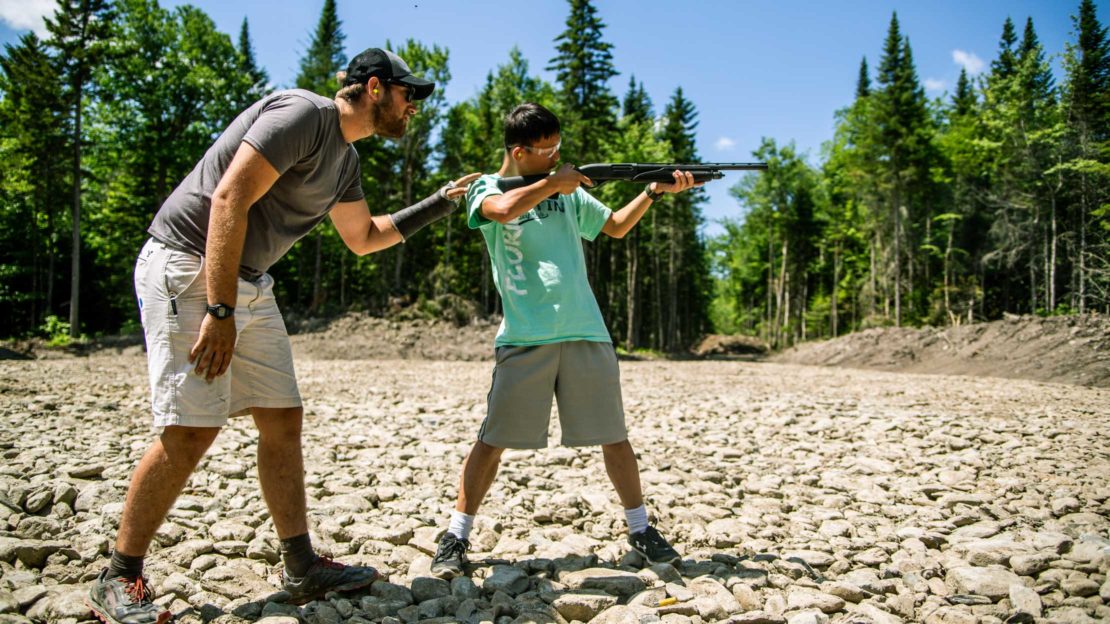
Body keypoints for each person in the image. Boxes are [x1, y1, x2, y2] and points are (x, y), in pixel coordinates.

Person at [86, 47, 479, 624]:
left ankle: (301, 567)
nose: (414, 106)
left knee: (281, 417)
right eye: (408, 94)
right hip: (189, 265)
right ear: (374, 88)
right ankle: (119, 575)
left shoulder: (343, 160)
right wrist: (219, 311)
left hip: (247, 281)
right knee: (192, 428)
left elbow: (364, 237)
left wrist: (441, 203)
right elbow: (228, 198)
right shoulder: (302, 115)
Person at [429, 102, 699, 579]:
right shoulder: (486, 189)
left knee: (614, 437)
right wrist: (555, 182)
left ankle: (640, 528)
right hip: (525, 336)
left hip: (585, 329)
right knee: (492, 441)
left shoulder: (568, 193)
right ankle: (456, 533)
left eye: (559, 149)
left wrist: (654, 193)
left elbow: (614, 226)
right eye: (548, 151)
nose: (556, 158)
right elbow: (503, 209)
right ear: (519, 151)